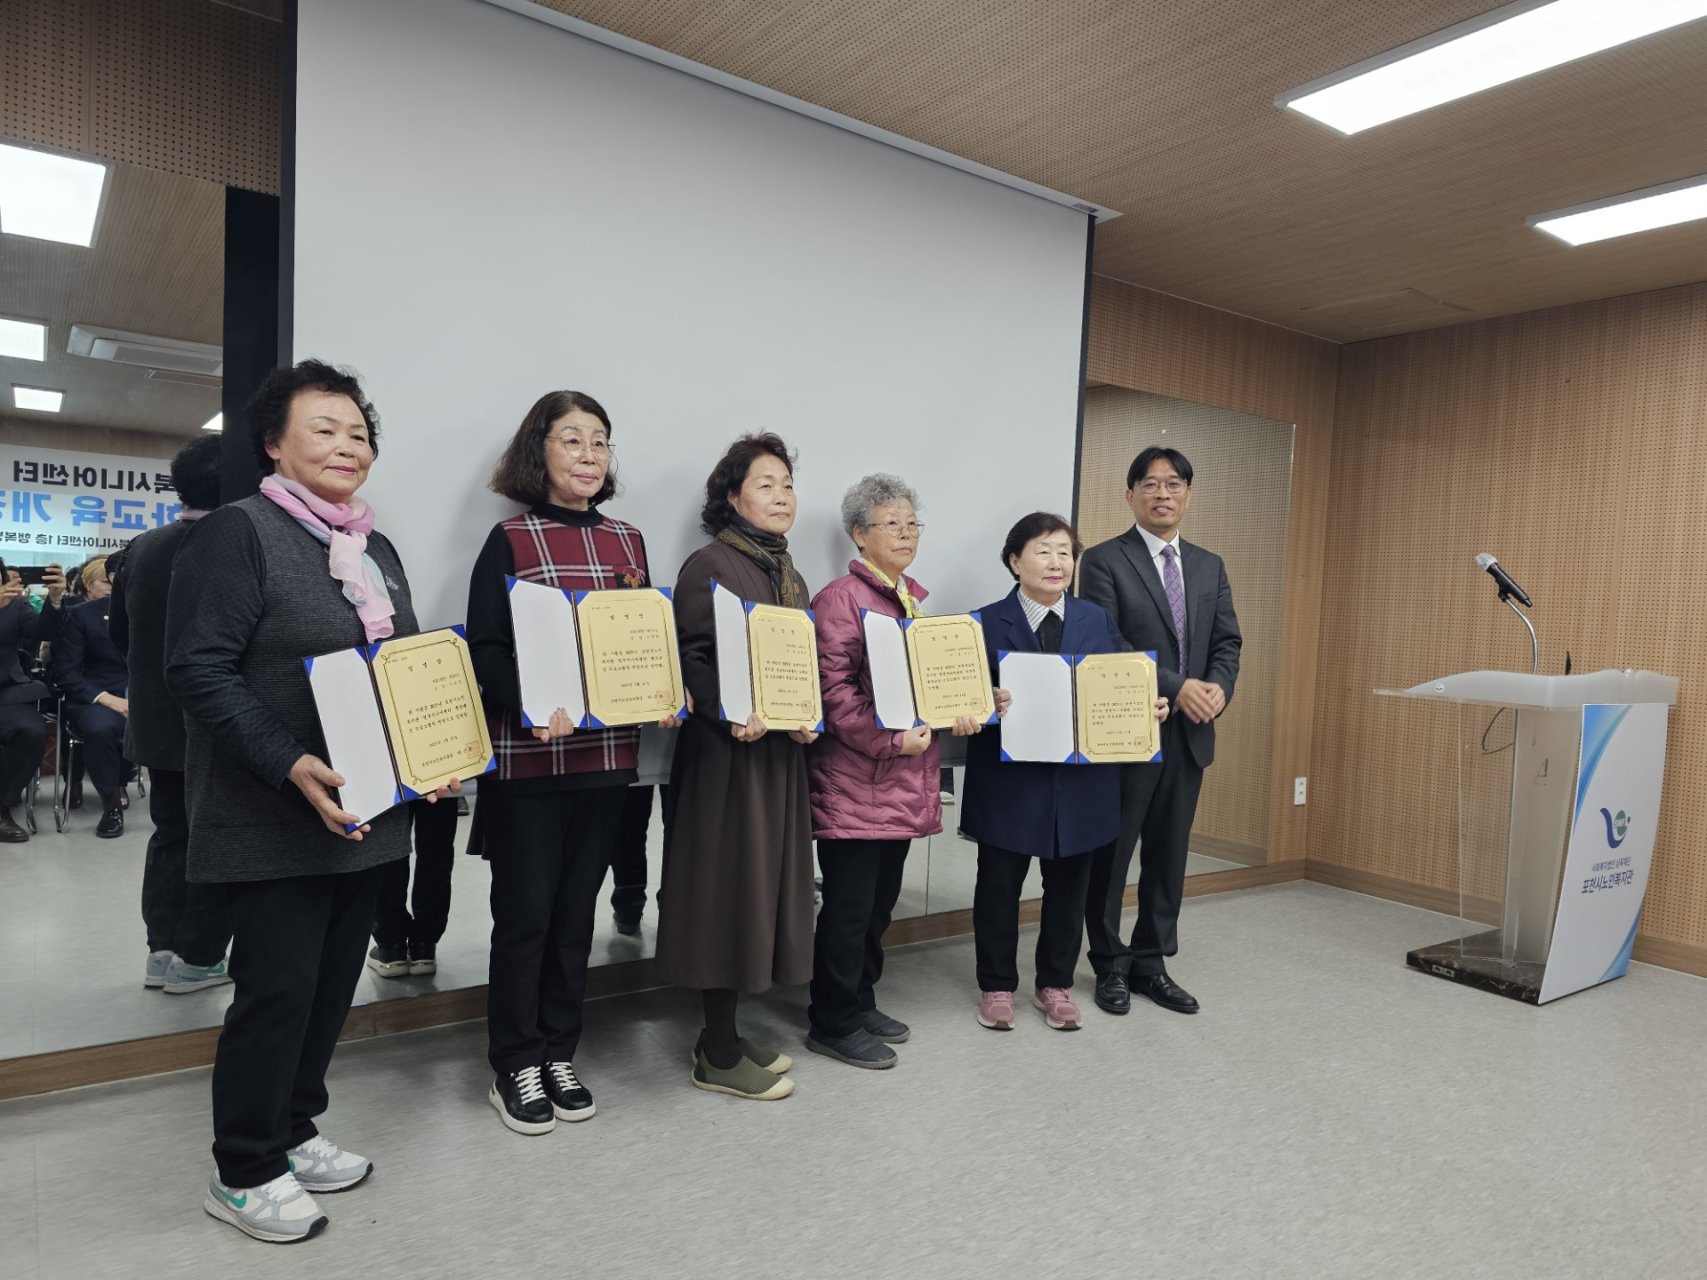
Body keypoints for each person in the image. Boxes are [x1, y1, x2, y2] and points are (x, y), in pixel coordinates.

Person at [167, 360, 454, 1243]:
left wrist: (433, 755)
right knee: (277, 993)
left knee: (330, 990)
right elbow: (197, 670)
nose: (346, 445)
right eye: (323, 429)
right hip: (271, 814)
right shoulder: (240, 534)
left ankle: (294, 1128)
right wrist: (289, 761)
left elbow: (402, 670)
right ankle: (244, 1168)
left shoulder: (374, 549)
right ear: (273, 443)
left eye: (358, 433)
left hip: (367, 813)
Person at [466, 390, 684, 1135]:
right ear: (540, 451)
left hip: (605, 758)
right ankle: (514, 1061)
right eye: (571, 440)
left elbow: (641, 641)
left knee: (574, 916)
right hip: (528, 761)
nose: (589, 455)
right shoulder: (510, 539)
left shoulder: (628, 542)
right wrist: (530, 702)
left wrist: (663, 691)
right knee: (524, 917)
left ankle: (559, 1050)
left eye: (599, 441)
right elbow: (486, 648)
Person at [804, 473, 987, 1068]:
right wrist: (889, 740)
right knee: (849, 908)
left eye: (913, 523)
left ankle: (860, 1001)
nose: (906, 533)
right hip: (855, 783)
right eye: (892, 523)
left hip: (898, 782)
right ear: (859, 534)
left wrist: (975, 702)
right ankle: (831, 1021)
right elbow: (834, 694)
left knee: (880, 905)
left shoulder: (909, 599)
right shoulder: (840, 599)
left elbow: (922, 689)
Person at [656, 432, 817, 1101]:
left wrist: (808, 715)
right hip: (727, 759)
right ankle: (716, 1055)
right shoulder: (710, 564)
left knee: (762, 891)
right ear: (731, 497)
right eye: (764, 484)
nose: (781, 496)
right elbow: (690, 660)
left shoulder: (789, 572)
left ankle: (723, 1036)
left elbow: (798, 665)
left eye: (787, 484)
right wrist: (729, 713)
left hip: (777, 755)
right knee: (725, 891)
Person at [961, 512, 1168, 1032]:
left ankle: (1054, 984)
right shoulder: (981, 623)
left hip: (1081, 784)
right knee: (999, 888)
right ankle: (996, 985)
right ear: (1015, 561)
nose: (1057, 562)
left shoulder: (1095, 619)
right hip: (1010, 783)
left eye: (1065, 552)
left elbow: (1123, 679)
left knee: (1070, 891)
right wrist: (984, 704)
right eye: (1043, 550)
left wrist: (1147, 705)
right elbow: (958, 703)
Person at [1078, 446, 1241, 1016]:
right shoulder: (1104, 560)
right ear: (1130, 495)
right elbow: (1107, 640)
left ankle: (1151, 963)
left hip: (1190, 733)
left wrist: (1217, 689)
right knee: (1112, 857)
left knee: (1168, 857)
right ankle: (1108, 963)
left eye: (1173, 484)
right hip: (1130, 728)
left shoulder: (1209, 565)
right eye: (1149, 484)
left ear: (1188, 495)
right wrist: (1177, 685)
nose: (1162, 494)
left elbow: (1227, 641)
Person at [109, 435, 232, 993]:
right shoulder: (234, 543)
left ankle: (160, 951)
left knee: (169, 834)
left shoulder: (142, 547)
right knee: (215, 839)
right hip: (217, 723)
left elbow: (120, 635)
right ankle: (199, 959)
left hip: (157, 719)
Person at [50, 557, 132, 838]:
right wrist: (106, 698)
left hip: (140, 694)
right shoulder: (80, 615)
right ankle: (111, 806)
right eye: (105, 581)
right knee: (101, 728)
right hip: (94, 696)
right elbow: (66, 672)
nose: (111, 586)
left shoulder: (149, 611)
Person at [0, 558, 67, 841]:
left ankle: (2, 808)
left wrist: (55, 599)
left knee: (31, 731)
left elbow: (44, 632)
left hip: (7, 693)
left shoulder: (16, 605)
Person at [365, 798, 458, 979]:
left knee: (389, 840)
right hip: (438, 779)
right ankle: (425, 945)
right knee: (436, 846)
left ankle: (391, 946)